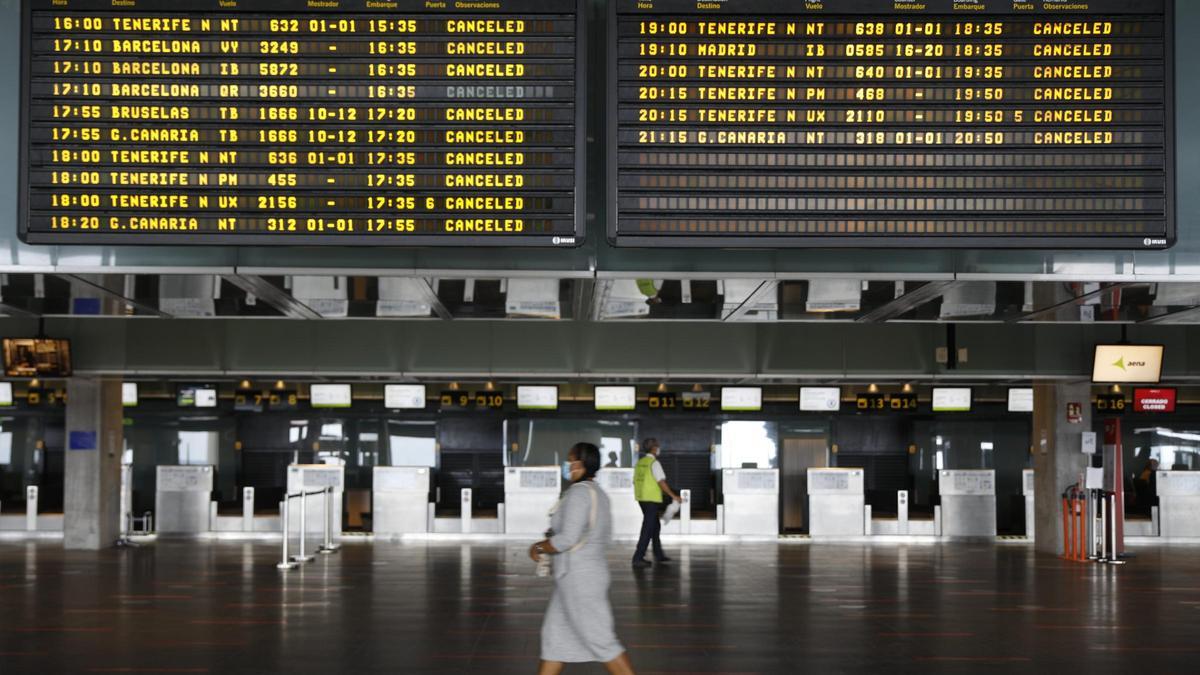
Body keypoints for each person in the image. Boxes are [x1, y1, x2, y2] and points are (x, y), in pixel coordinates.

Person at [529, 443, 635, 675]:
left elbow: (567, 539)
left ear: (584, 463)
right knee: (554, 641)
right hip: (577, 577)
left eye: (572, 460)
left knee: (602, 641)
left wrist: (539, 546)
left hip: (580, 580)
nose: (569, 465)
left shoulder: (578, 493)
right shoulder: (599, 494)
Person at [631, 438, 681, 568]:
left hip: (641, 498)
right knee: (648, 527)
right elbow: (661, 482)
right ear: (653, 448)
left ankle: (658, 554)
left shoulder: (640, 463)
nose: (659, 448)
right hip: (651, 499)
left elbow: (634, 481)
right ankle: (638, 557)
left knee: (655, 526)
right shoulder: (654, 463)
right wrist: (673, 496)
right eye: (657, 446)